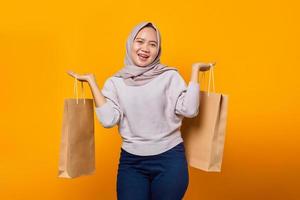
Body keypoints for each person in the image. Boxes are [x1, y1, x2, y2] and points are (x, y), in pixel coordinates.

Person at [67, 21, 215, 200]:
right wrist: (92, 83)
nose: (145, 48)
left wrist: (195, 71)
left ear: (158, 49)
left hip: (170, 161)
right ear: (130, 43)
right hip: (132, 163)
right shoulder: (115, 83)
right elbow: (108, 120)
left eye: (153, 44)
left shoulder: (169, 76)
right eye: (140, 41)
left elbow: (190, 110)